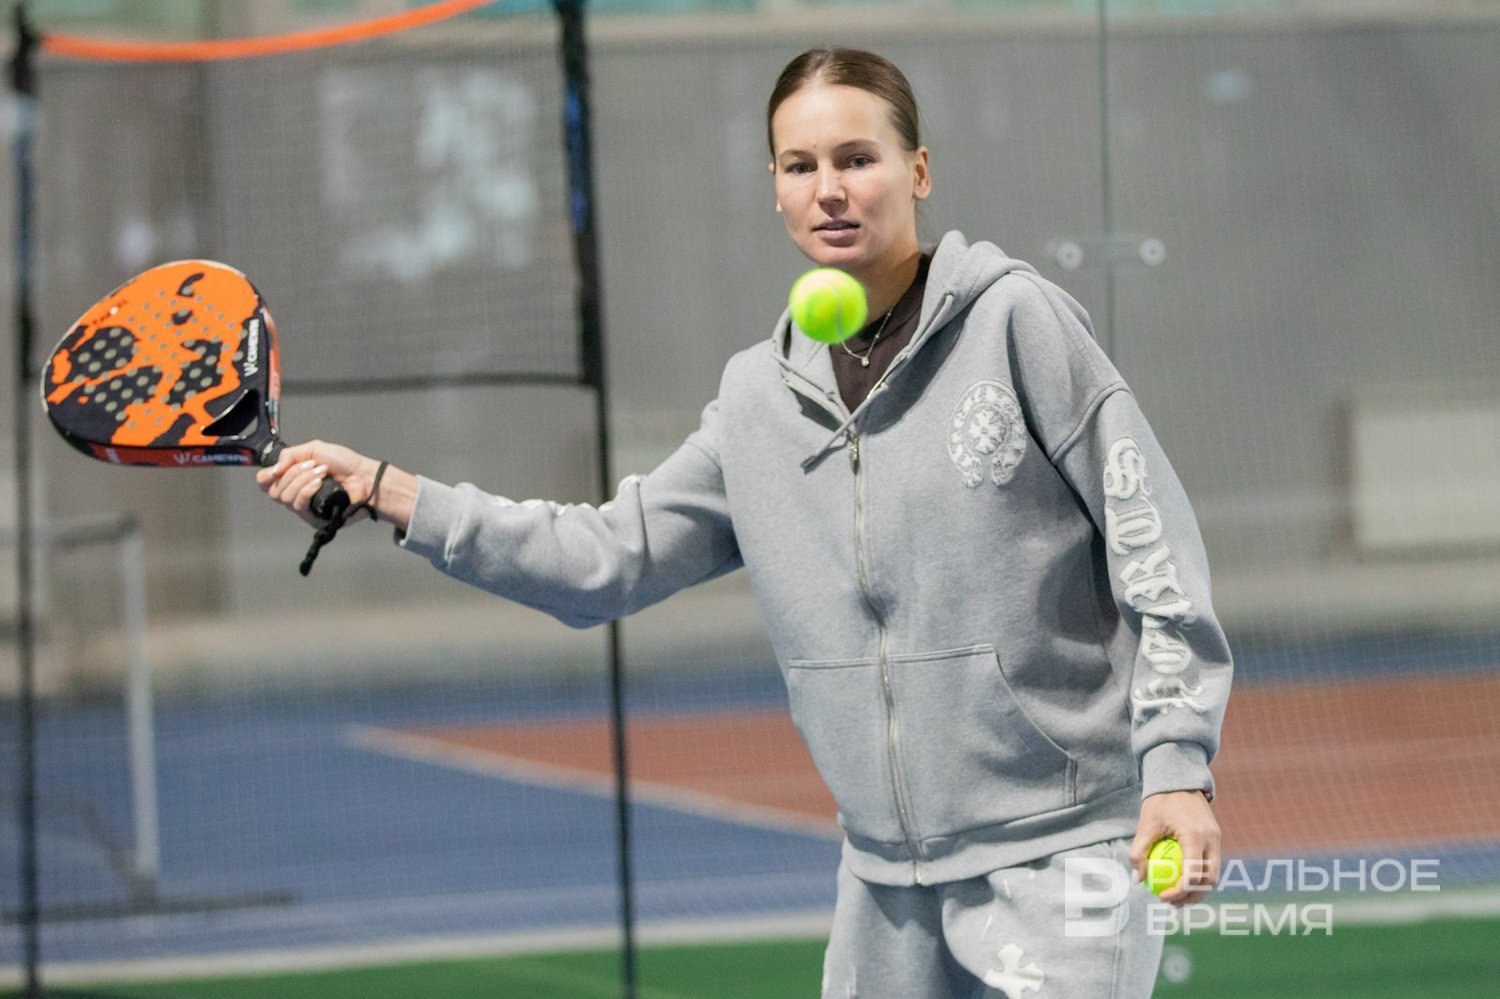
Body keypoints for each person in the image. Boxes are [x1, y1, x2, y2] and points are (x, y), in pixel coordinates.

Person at [261, 47, 1231, 998]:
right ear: (774, 187)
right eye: (801, 166)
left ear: (919, 170)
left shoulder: (1019, 323)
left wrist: (1176, 769)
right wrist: (393, 491)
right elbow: (603, 560)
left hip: (1065, 854)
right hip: (883, 881)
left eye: (858, 158)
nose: (831, 190)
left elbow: (1154, 548)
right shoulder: (755, 402)